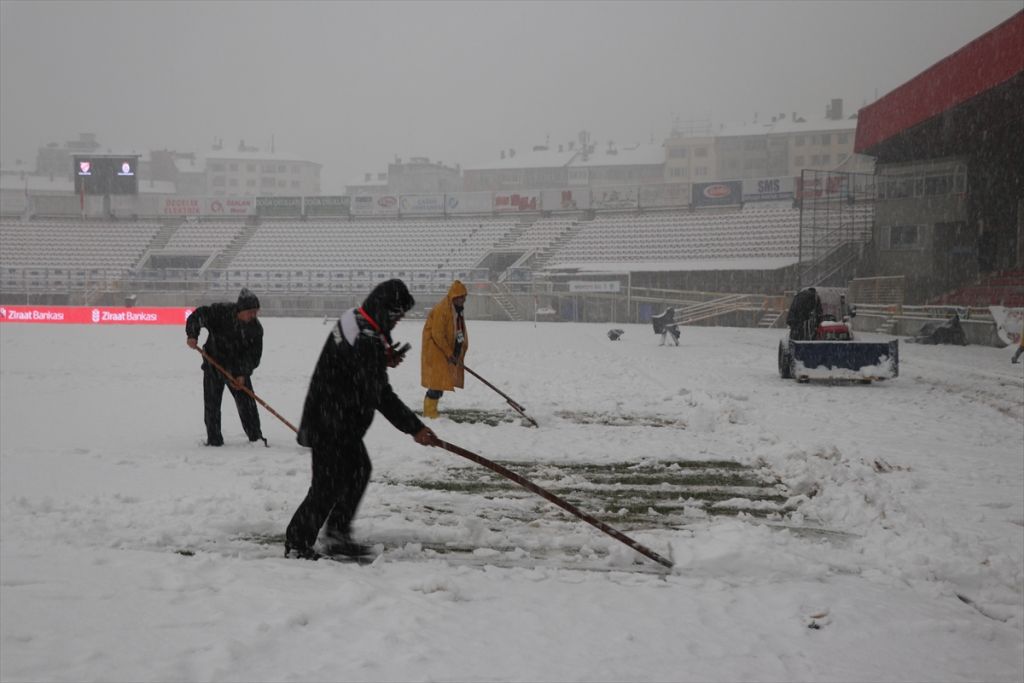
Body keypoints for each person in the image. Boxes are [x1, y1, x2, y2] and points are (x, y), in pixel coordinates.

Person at [285, 279, 439, 560]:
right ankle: (297, 543)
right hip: (332, 422)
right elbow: (380, 394)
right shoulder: (366, 341)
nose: (398, 322)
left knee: (357, 472)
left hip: (336, 417)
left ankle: (337, 534)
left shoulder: (355, 318)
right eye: (397, 315)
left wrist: (382, 358)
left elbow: (356, 363)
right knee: (327, 486)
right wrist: (414, 428)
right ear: (386, 310)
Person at [185, 288, 265, 447]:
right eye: (250, 312)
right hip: (213, 364)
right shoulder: (220, 312)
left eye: (256, 312)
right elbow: (197, 316)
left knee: (247, 404)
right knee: (212, 405)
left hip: (237, 370)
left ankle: (255, 437)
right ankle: (214, 440)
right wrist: (192, 335)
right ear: (240, 310)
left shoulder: (255, 329)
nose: (253, 315)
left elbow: (254, 356)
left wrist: (242, 373)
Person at [420, 280, 469, 418]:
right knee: (437, 381)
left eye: (465, 296)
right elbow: (437, 334)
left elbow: (457, 331)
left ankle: (431, 410)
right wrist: (449, 352)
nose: (464, 300)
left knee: (442, 381)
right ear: (454, 296)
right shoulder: (443, 309)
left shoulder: (457, 310)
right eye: (462, 297)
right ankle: (429, 413)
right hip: (436, 348)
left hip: (445, 349)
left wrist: (457, 351)